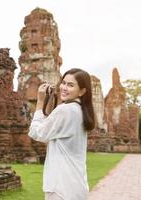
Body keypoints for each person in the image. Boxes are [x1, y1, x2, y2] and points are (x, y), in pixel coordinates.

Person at [28, 68, 95, 200]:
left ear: (82, 91)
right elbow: (51, 130)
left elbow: (36, 132)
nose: (64, 88)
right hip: (77, 185)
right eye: (63, 83)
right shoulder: (81, 111)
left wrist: (40, 101)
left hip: (61, 187)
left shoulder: (65, 110)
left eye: (70, 85)